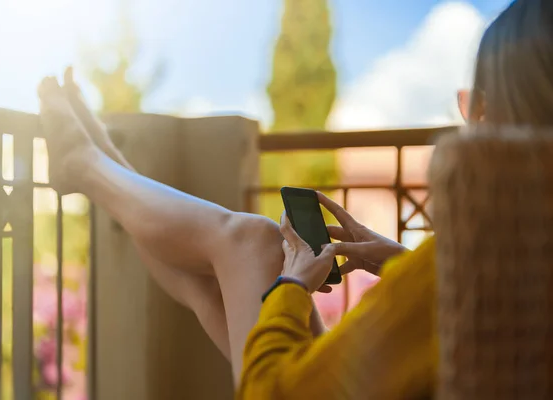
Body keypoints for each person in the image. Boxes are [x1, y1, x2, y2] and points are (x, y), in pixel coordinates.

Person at [38, 0, 552, 397]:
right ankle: (102, 167)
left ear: (486, 112)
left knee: (250, 242)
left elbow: (268, 396)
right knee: (212, 289)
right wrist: (400, 261)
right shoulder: (518, 259)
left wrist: (291, 289)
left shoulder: (466, 264)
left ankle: (92, 167)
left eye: (470, 107)